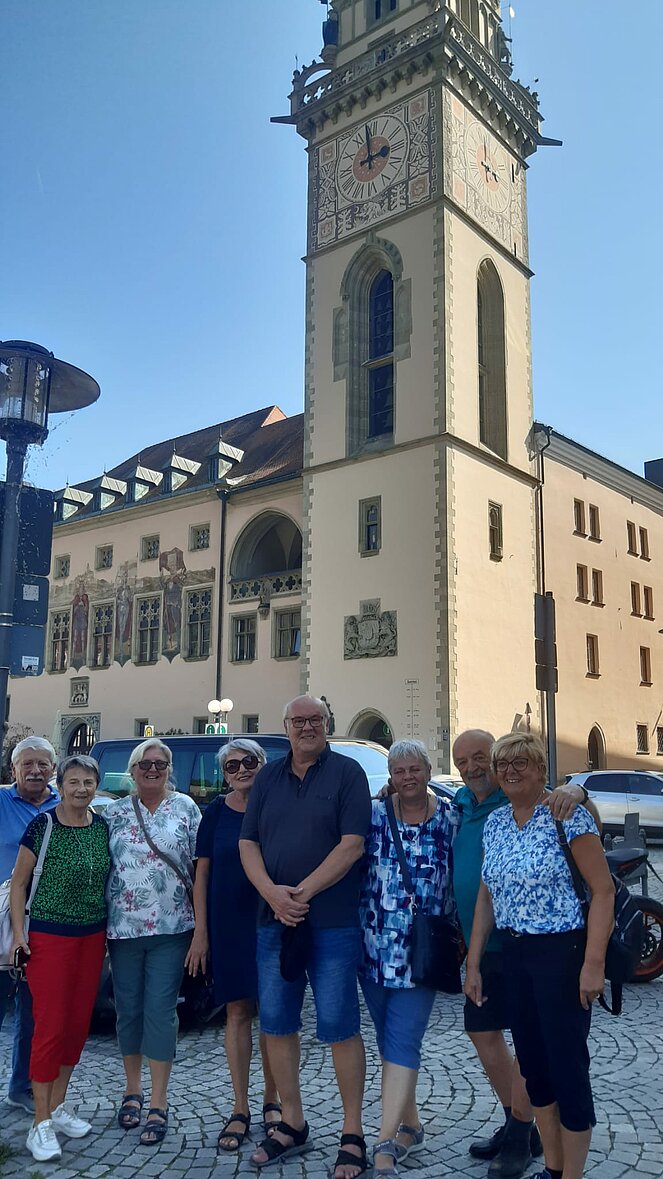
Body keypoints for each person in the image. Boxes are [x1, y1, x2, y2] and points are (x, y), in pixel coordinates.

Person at [465, 733, 614, 1179]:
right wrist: (473, 962)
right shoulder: (496, 823)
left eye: (521, 763)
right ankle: (552, 1167)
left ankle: (573, 1174)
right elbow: (486, 897)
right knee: (533, 1067)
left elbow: (603, 891)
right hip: (514, 954)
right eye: (503, 764)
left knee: (567, 1066)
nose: (510, 771)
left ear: (540, 770)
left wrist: (593, 965)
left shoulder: (567, 815)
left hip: (562, 953)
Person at [239, 695, 371, 1178]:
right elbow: (247, 843)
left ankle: (352, 1132)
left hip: (332, 921)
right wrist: (273, 894)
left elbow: (352, 845)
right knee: (276, 1023)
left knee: (339, 1025)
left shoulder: (348, 773)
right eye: (298, 721)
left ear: (327, 724)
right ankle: (292, 1123)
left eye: (315, 719)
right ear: (286, 727)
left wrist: (302, 892)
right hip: (274, 919)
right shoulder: (268, 777)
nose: (307, 727)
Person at [359, 739, 457, 1178]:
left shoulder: (450, 820)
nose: (407, 778)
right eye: (399, 772)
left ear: (429, 771)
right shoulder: (374, 815)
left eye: (414, 769)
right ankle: (411, 1124)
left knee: (403, 1040)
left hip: (422, 954)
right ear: (390, 778)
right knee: (388, 1040)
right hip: (372, 948)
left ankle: (384, 1142)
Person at [9, 755, 111, 1163]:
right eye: (74, 782)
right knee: (49, 1027)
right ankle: (39, 1122)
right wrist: (20, 935)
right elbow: (19, 884)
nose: (81, 789)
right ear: (61, 785)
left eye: (88, 782)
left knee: (76, 1026)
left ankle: (58, 1105)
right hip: (50, 937)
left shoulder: (101, 826)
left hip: (92, 936)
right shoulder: (43, 825)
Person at [104, 739, 200, 1146]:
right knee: (128, 1011)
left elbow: (200, 868)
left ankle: (159, 1101)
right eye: (145, 764)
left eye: (161, 763)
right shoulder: (113, 814)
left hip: (171, 927)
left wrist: (203, 930)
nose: (153, 769)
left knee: (161, 1011)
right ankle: (132, 1089)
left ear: (169, 769)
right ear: (132, 769)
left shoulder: (186, 809)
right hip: (123, 929)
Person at [185, 739, 280, 1152]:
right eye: (232, 765)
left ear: (263, 765)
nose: (242, 769)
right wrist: (200, 933)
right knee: (237, 1012)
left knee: (274, 1015)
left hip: (272, 921)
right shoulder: (215, 813)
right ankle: (240, 1107)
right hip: (227, 924)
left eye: (249, 761)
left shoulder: (276, 806)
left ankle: (273, 1101)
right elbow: (201, 877)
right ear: (224, 774)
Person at [0, 737, 59, 1115]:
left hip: (47, 923)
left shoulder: (66, 803)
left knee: (33, 1011)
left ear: (53, 769)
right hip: (2, 920)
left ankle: (21, 1086)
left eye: (43, 764)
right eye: (28, 764)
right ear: (14, 769)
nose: (36, 771)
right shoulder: (1, 801)